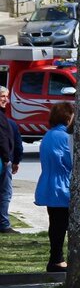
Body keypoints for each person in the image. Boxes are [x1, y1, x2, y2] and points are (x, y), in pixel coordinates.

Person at [35, 103, 74, 272]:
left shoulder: (49, 134)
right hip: (62, 185)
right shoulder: (65, 137)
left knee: (55, 224)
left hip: (49, 183)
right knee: (61, 225)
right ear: (67, 117)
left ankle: (56, 257)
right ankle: (56, 259)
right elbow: (70, 161)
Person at [0, 87, 18, 234]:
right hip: (3, 161)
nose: (6, 99)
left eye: (6, 96)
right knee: (5, 192)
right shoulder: (1, 118)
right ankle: (4, 224)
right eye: (2, 96)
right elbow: (2, 139)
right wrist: (7, 159)